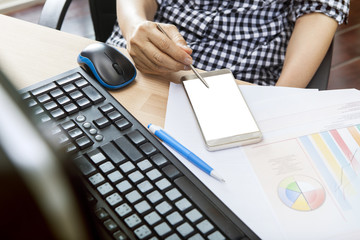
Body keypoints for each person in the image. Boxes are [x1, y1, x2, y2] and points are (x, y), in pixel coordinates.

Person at [106, 0, 350, 87]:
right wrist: (134, 26)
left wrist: (279, 103)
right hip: (134, 58)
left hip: (237, 82)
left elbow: (319, 10)